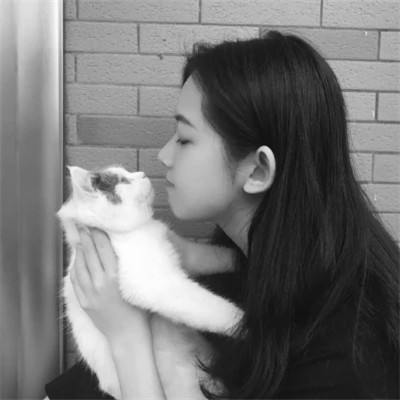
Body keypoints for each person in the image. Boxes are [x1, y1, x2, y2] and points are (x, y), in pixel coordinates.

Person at [45, 30, 399, 399]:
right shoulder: (250, 267)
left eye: (184, 138)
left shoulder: (348, 355)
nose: (164, 156)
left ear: (258, 170)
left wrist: (125, 337)